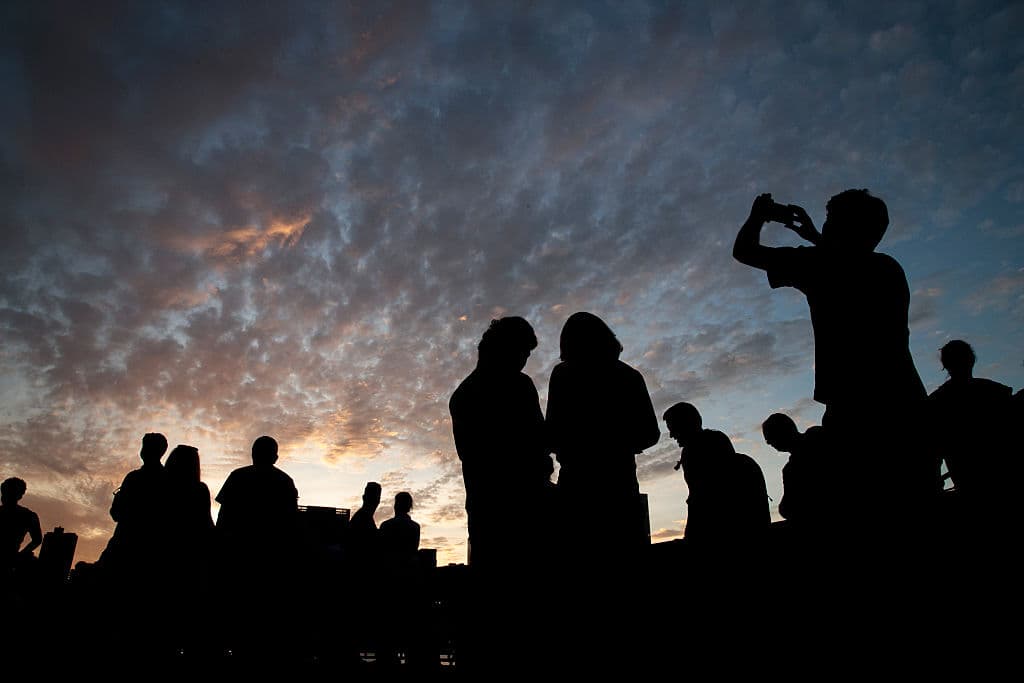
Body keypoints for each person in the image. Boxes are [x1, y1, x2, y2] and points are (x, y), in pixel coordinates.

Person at [733, 190, 930, 519]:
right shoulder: (888, 268)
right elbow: (846, 261)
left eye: (830, 220)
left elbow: (744, 251)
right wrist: (814, 236)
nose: (825, 226)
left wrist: (758, 216)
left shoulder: (818, 265)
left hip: (856, 415)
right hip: (907, 408)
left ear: (842, 226)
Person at [546, 312, 660, 556]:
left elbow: (551, 433)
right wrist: (619, 444)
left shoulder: (563, 375)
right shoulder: (629, 376)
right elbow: (650, 433)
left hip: (579, 486)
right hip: (617, 484)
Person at [449, 316, 551, 570]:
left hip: (492, 512)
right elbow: (540, 440)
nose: (524, 360)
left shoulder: (465, 394)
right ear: (504, 348)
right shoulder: (519, 386)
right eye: (522, 351)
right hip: (512, 511)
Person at [214, 436, 299, 656]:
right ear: (276, 457)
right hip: (272, 561)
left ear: (252, 453)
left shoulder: (237, 477)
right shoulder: (285, 482)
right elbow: (292, 525)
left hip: (239, 559)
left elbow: (223, 520)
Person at [664, 403, 769, 548]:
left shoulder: (694, 451)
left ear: (685, 424)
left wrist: (690, 539)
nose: (671, 435)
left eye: (673, 428)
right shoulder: (717, 444)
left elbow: (700, 501)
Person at [99, 432, 170, 584]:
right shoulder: (168, 479)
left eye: (146, 447)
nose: (143, 451)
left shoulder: (134, 478)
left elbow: (116, 513)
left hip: (125, 544)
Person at [762, 414, 833, 527]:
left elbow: (787, 508)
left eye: (768, 438)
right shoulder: (817, 434)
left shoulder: (790, 470)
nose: (769, 443)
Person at [0, 477, 43, 576]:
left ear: (19, 496)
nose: (3, 496)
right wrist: (20, 555)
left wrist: (19, 556)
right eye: (3, 492)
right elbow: (37, 540)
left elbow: (37, 540)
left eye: (8, 493)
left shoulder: (28, 515)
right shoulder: (29, 515)